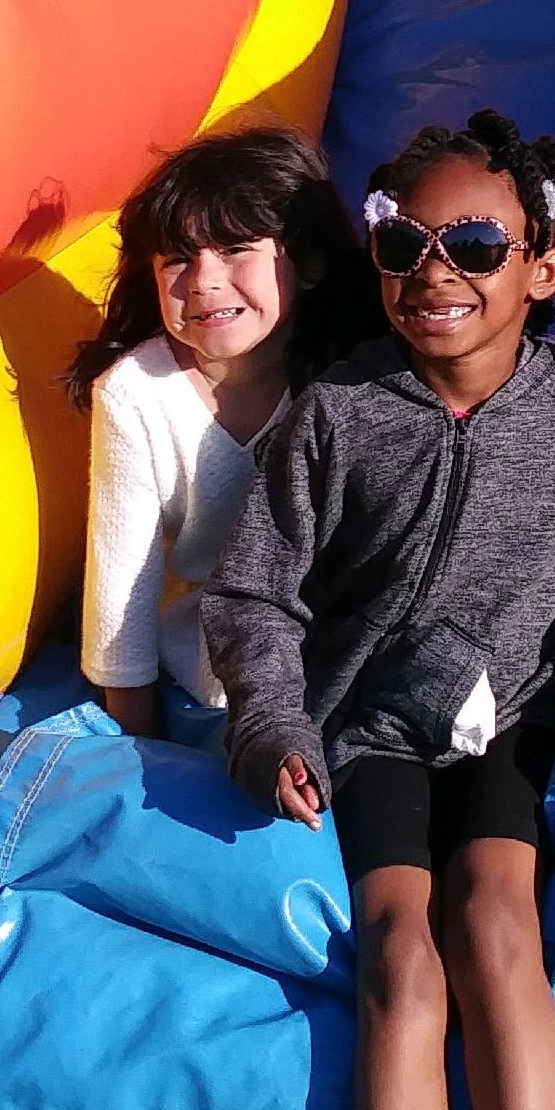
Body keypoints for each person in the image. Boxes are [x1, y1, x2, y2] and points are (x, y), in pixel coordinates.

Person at [204, 110, 555, 1110]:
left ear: (543, 270)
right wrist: (271, 725)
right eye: (404, 245)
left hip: (513, 720)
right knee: (401, 959)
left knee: (496, 928)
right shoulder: (338, 412)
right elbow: (255, 591)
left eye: (475, 247)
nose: (436, 273)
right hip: (369, 727)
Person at [69, 126, 374, 742]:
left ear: (307, 262)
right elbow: (122, 581)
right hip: (216, 669)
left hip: (348, 649)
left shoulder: (353, 378)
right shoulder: (136, 394)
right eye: (178, 259)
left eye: (236, 249)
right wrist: (138, 739)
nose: (203, 280)